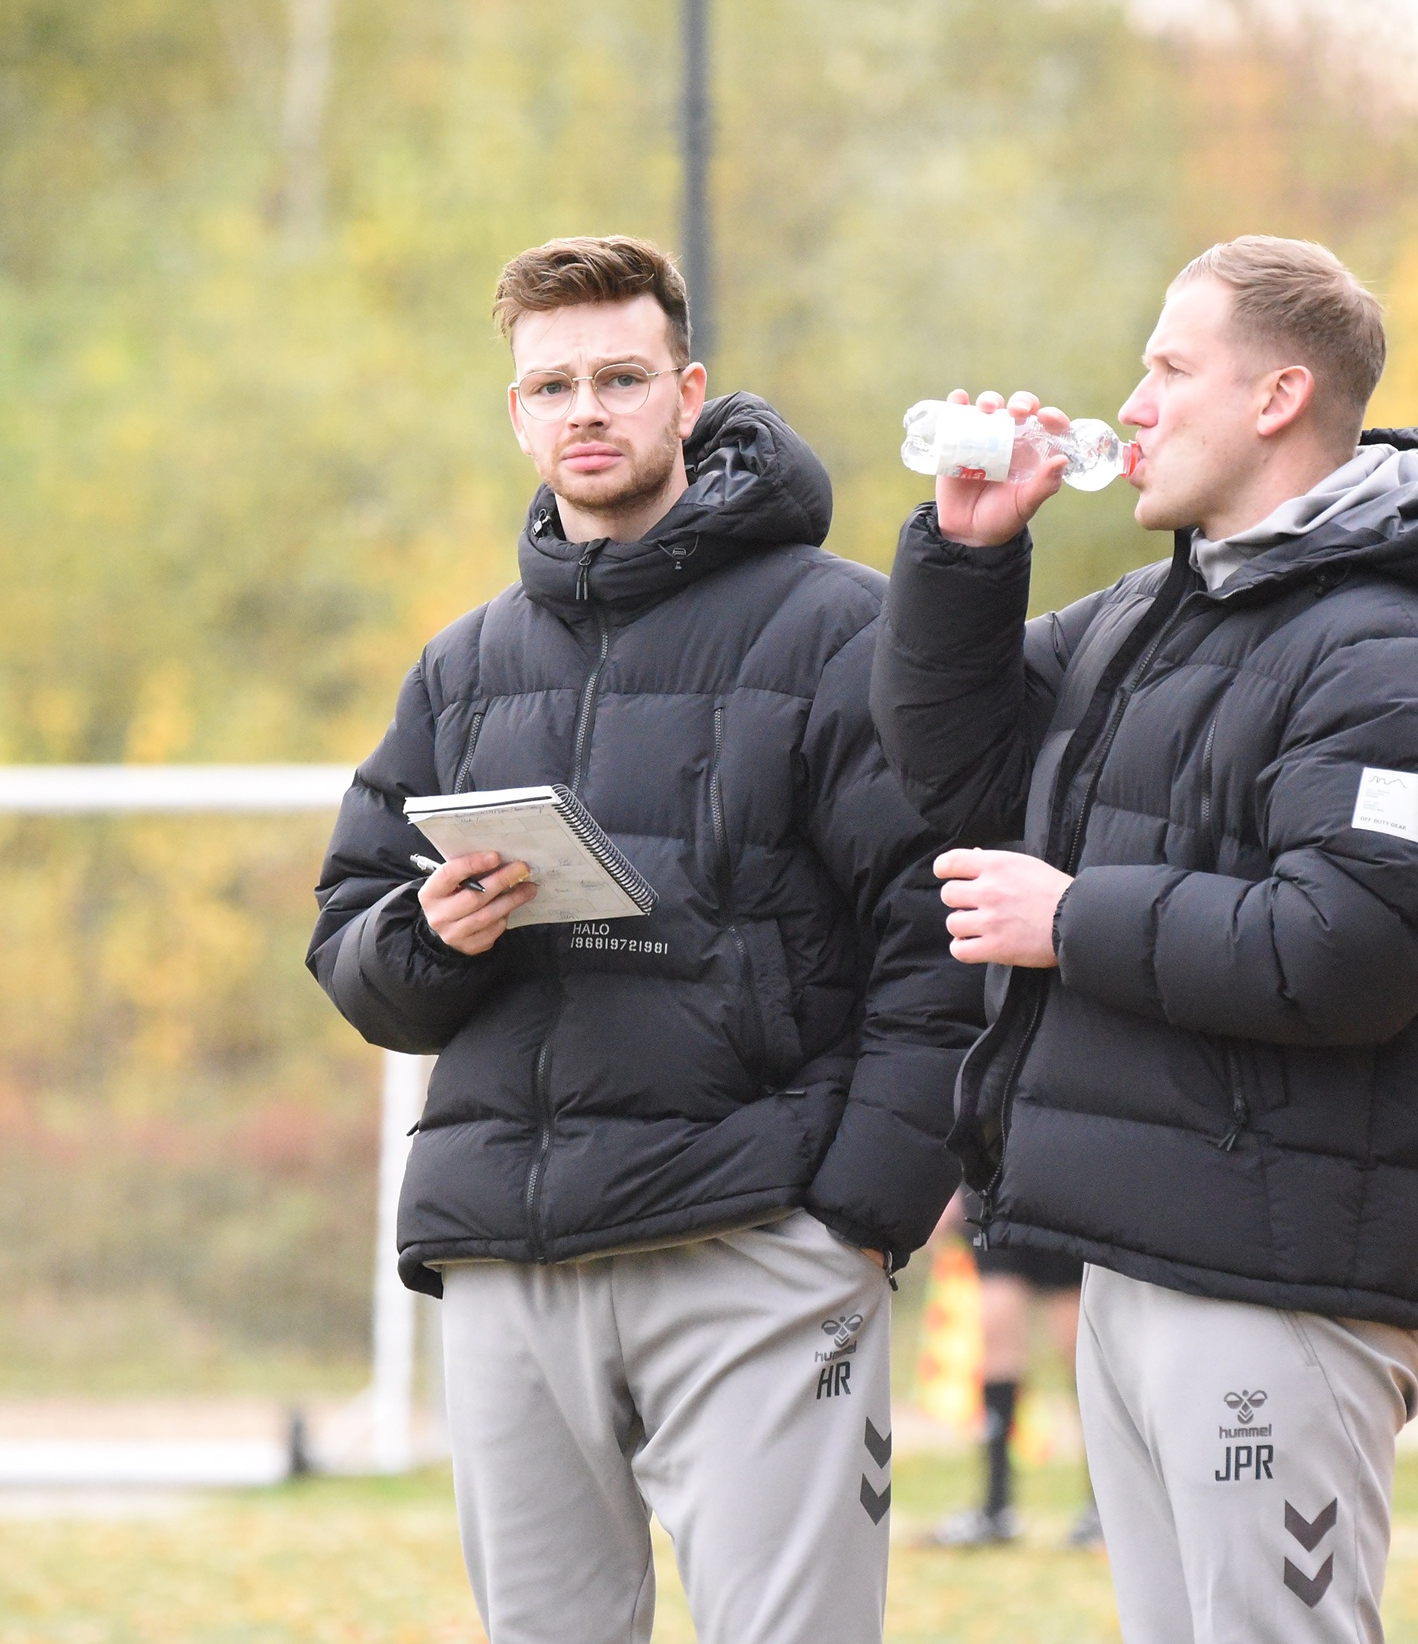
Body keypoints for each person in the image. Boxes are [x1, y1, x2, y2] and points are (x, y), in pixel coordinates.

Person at [872, 235, 1418, 1642]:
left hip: (1281, 1282)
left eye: (1169, 368)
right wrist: (966, 553)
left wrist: (1072, 916)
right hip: (1139, 1255)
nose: (1129, 404)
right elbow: (959, 776)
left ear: (1277, 396)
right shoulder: (1151, 616)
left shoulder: (1407, 665)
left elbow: (1348, 945)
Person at [308, 235, 980, 1644]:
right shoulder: (463, 662)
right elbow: (348, 940)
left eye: (619, 376)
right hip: (505, 1259)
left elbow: (940, 939)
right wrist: (429, 934)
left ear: (688, 391)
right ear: (515, 414)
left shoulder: (836, 625)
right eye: (551, 384)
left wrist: (855, 1216)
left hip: (754, 1243)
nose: (586, 410)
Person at [923, 1187, 1098, 1549]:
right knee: (996, 1329)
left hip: (1062, 1187)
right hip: (997, 1185)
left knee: (1079, 1350)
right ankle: (995, 1508)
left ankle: (1101, 1508)